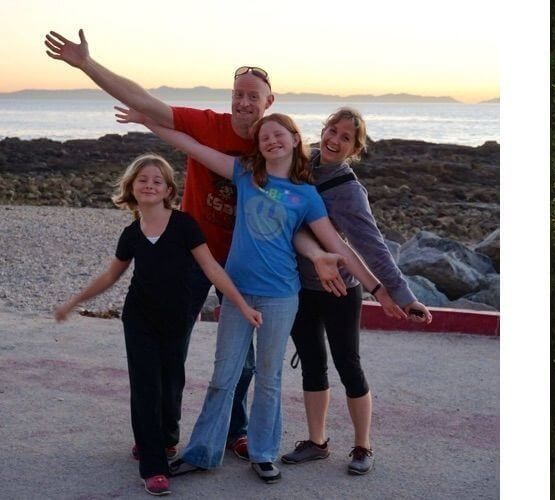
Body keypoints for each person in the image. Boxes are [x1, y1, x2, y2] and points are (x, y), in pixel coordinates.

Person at [44, 30, 345, 459]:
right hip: (191, 253)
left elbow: (297, 201)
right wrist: (87, 64)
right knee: (172, 343)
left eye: (253, 96)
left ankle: (234, 430)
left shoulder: (272, 142)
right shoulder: (209, 124)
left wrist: (328, 255)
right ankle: (164, 434)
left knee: (241, 357)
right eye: (238, 94)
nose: (244, 102)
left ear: (269, 103)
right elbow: (147, 102)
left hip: (245, 263)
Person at [120, 109, 406, 483]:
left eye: (279, 135)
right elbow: (190, 144)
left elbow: (341, 246)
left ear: (294, 139)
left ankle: (264, 453)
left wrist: (381, 290)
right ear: (259, 146)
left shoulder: (306, 195)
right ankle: (202, 452)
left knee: (269, 378)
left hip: (281, 296)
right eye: (264, 137)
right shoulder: (244, 174)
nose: (271, 141)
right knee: (224, 375)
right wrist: (147, 120)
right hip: (239, 290)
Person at [53, 154, 263, 496]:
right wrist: (74, 301)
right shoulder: (131, 234)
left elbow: (212, 270)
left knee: (171, 382)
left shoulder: (184, 226)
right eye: (143, 180)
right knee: (146, 386)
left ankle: (165, 438)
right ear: (131, 188)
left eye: (157, 180)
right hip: (139, 319)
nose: (149, 184)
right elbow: (111, 275)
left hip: (176, 318)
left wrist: (241, 306)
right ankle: (153, 464)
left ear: (168, 189)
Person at [277, 108, 432, 475]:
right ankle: (317, 442)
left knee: (349, 365)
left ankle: (363, 446)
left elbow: (372, 245)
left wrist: (402, 295)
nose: (335, 139)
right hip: (299, 285)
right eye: (333, 129)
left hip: (339, 289)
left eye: (346, 137)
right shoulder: (299, 164)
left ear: (354, 149)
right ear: (323, 129)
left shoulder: (349, 191)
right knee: (312, 365)